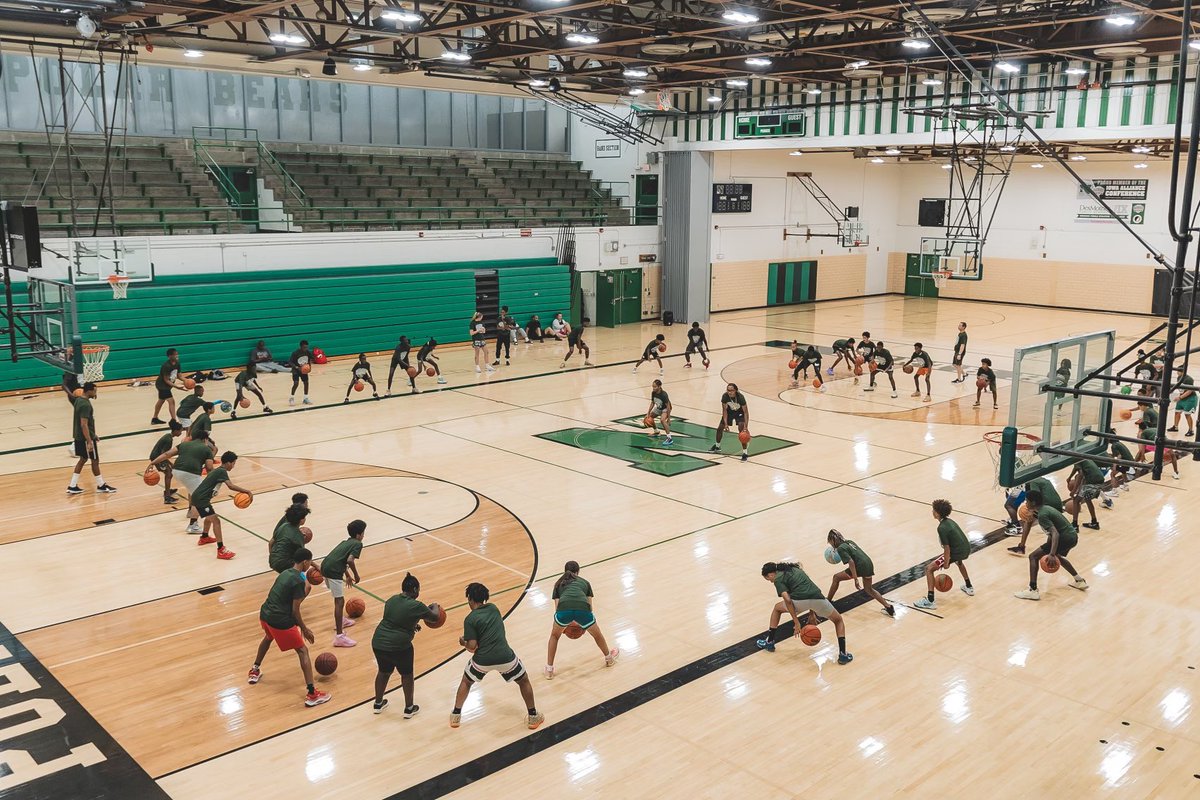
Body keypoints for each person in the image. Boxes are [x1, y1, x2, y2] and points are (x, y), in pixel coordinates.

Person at [450, 582, 543, 730]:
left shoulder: (470, 619)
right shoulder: (494, 609)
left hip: (482, 660)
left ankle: (455, 715)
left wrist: (463, 643)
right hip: (505, 656)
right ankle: (533, 716)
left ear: (470, 599)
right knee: (523, 680)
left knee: (466, 682)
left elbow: (472, 647)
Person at [248, 547, 331, 708]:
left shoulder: (285, 573)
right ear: (306, 562)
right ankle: (312, 694)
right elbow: (295, 610)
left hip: (265, 614)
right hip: (280, 620)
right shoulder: (298, 581)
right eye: (310, 563)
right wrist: (304, 629)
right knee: (303, 651)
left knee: (268, 637)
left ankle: (254, 670)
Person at [372, 572, 441, 717]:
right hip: (399, 646)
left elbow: (394, 620)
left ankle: (378, 704)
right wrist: (435, 606)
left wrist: (412, 625)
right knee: (407, 675)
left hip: (378, 642)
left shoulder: (391, 600)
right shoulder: (416, 605)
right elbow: (435, 617)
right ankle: (409, 708)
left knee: (384, 672)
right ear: (415, 590)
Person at [756, 562, 853, 664]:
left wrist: (796, 622)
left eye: (768, 579)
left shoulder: (778, 579)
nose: (770, 581)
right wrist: (812, 613)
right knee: (838, 621)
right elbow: (809, 588)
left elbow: (788, 600)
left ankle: (769, 642)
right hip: (818, 598)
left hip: (799, 601)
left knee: (777, 608)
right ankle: (843, 655)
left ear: (771, 574)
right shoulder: (795, 569)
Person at [544, 561, 618, 679]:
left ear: (565, 571)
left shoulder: (558, 583)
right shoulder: (585, 582)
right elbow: (590, 607)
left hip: (564, 610)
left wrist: (565, 625)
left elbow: (557, 609)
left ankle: (549, 670)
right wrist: (583, 624)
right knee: (597, 635)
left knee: (554, 636)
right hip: (582, 609)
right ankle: (609, 659)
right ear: (578, 572)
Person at [1013, 490, 1088, 601]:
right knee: (1059, 557)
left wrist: (1051, 553)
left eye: (1027, 501)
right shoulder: (1044, 509)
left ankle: (1033, 590)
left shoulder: (1043, 515)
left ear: (1033, 502)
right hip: (1072, 536)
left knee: (1033, 556)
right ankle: (1079, 581)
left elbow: (1055, 533)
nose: (1025, 503)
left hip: (1064, 538)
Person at [149, 430, 214, 534]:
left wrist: (153, 462)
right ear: (205, 439)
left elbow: (166, 454)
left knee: (192, 491)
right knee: (200, 497)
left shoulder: (184, 444)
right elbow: (209, 467)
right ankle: (193, 525)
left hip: (176, 471)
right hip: (190, 474)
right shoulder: (206, 449)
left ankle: (190, 511)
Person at [914, 499, 974, 609]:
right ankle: (969, 586)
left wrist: (946, 563)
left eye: (933, 510)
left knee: (929, 569)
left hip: (956, 551)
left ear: (937, 513)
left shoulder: (941, 528)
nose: (932, 512)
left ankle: (930, 601)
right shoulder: (950, 521)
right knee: (959, 562)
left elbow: (947, 549)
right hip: (965, 548)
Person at [189, 451, 244, 559]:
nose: (233, 466)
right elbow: (230, 486)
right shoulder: (222, 471)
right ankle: (221, 550)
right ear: (228, 463)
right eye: (233, 464)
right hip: (201, 499)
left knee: (209, 517)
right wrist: (247, 491)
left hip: (200, 497)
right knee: (216, 521)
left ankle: (204, 537)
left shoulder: (218, 471)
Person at [826, 530, 894, 617]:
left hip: (860, 566)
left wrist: (855, 579)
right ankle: (889, 608)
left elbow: (851, 562)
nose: (831, 545)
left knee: (836, 577)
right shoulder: (849, 542)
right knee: (869, 589)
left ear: (833, 540)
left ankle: (828, 601)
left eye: (830, 543)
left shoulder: (840, 548)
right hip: (868, 563)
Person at [321, 520, 365, 648]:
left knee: (338, 599)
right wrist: (356, 575)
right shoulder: (357, 543)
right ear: (358, 534)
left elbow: (339, 558)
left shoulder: (345, 542)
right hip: (333, 570)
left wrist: (347, 575)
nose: (363, 535)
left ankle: (340, 621)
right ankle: (339, 637)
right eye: (363, 533)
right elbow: (350, 560)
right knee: (339, 601)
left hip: (325, 566)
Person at [67, 382, 116, 495]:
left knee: (83, 459)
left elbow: (86, 424)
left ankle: (72, 485)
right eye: (94, 391)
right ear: (89, 391)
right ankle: (101, 485)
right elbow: (84, 424)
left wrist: (93, 434)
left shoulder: (79, 400)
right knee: (95, 460)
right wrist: (89, 441)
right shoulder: (85, 405)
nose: (95, 393)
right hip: (85, 438)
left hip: (79, 436)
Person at [1007, 475, 1064, 556]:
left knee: (1048, 528)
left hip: (1047, 505)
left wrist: (1030, 510)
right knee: (1052, 527)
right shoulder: (1043, 479)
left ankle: (1054, 549)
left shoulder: (1033, 482)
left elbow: (1036, 497)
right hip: (1058, 503)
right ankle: (1022, 546)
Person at [710, 382, 750, 461]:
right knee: (719, 428)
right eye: (728, 390)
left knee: (742, 431)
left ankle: (745, 453)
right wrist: (725, 424)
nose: (729, 392)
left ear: (736, 390)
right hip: (730, 412)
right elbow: (724, 410)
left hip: (740, 413)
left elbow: (745, 412)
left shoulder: (741, 397)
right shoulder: (725, 396)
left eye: (731, 390)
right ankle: (717, 446)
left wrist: (746, 426)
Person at [1065, 458, 1107, 530]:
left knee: (1076, 501)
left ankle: (1074, 525)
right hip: (1099, 479)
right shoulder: (1082, 458)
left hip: (1092, 481)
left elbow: (1080, 475)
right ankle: (1094, 523)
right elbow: (1076, 469)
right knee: (1087, 499)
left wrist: (1074, 491)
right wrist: (1069, 477)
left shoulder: (1077, 459)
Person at [149, 420, 184, 504]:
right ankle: (167, 497)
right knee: (169, 473)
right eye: (180, 430)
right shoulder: (168, 440)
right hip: (157, 458)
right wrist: (170, 463)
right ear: (175, 431)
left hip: (156, 456)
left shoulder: (168, 436)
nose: (181, 432)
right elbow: (164, 454)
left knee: (169, 473)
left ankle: (167, 491)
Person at [269, 503, 309, 573]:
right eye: (304, 517)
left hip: (272, 560)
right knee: (302, 565)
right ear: (301, 520)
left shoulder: (283, 526)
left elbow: (270, 543)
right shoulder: (299, 536)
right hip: (285, 564)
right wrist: (315, 566)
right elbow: (303, 557)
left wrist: (273, 556)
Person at [151, 347, 184, 425]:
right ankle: (174, 420)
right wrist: (177, 386)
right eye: (175, 354)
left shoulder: (177, 363)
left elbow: (179, 376)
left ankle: (154, 418)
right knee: (171, 401)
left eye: (177, 354)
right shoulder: (166, 366)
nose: (177, 356)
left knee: (161, 400)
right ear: (170, 356)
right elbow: (166, 380)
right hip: (162, 386)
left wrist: (187, 381)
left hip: (167, 386)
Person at [645, 379, 673, 445]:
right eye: (652, 386)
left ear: (659, 386)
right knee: (650, 417)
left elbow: (668, 407)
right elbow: (652, 402)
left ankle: (669, 438)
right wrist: (648, 413)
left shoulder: (664, 394)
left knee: (662, 420)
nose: (653, 388)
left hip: (665, 409)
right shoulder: (653, 392)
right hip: (659, 407)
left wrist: (669, 418)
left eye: (655, 387)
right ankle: (656, 432)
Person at [1168, 371, 1196, 437]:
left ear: (1182, 371)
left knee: (1187, 414)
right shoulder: (1179, 377)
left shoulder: (1189, 379)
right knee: (1177, 413)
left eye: (1178, 371)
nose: (1177, 372)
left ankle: (1191, 430)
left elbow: (1190, 390)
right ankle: (1175, 427)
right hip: (1182, 398)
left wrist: (1180, 397)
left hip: (1190, 398)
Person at [288, 340, 313, 406]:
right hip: (296, 370)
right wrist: (296, 367)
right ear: (301, 346)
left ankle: (305, 398)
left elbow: (310, 359)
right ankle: (291, 398)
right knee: (296, 383)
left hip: (304, 370)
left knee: (306, 383)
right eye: (304, 347)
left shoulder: (308, 352)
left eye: (306, 347)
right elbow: (290, 362)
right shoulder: (295, 353)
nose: (305, 349)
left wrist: (310, 367)